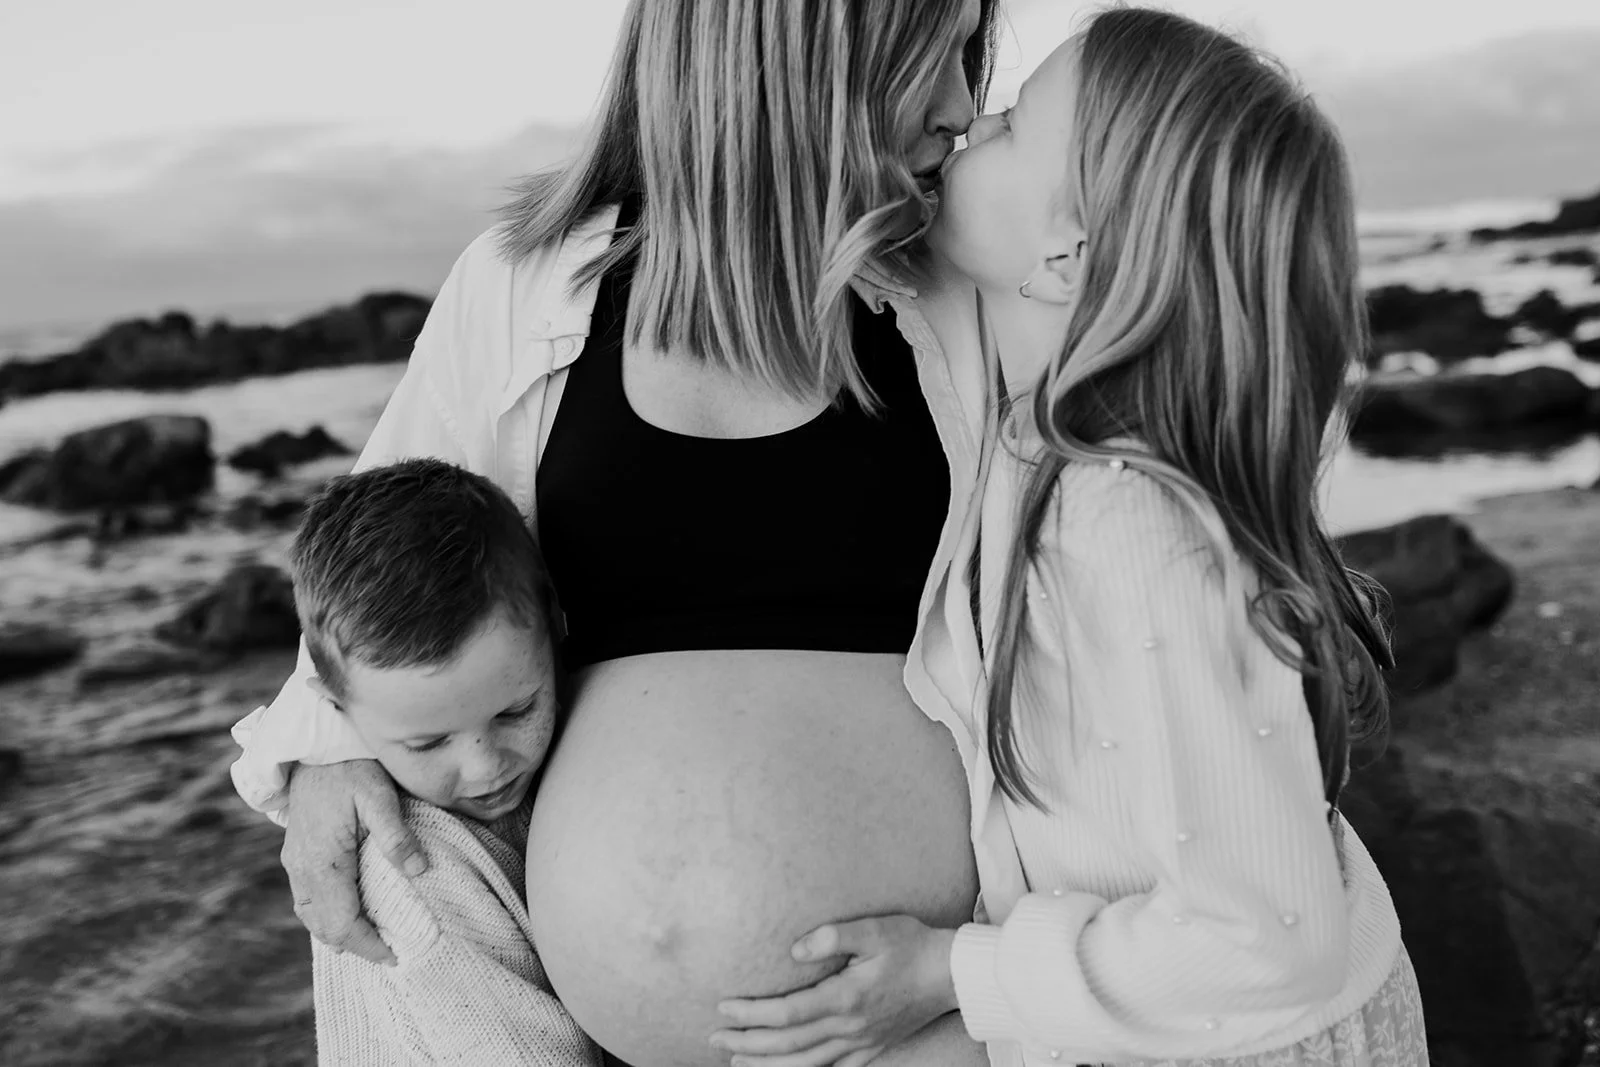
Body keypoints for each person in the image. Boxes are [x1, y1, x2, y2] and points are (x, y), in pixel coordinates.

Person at [228, 1, 1011, 1064]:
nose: (963, 106)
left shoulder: (976, 297)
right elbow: (368, 583)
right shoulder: (522, 287)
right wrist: (323, 758)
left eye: (968, 50)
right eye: (928, 57)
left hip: (931, 1025)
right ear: (787, 57)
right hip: (527, 1020)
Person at [708, 9, 1429, 1066]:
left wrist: (951, 972)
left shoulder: (1129, 525)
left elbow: (1266, 939)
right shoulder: (1037, 419)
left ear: (1066, 253)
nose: (970, 120)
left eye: (1010, 125)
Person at [273, 458, 598, 1065]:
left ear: (557, 625)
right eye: (426, 745)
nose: (486, 769)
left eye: (516, 711)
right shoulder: (415, 874)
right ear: (334, 713)